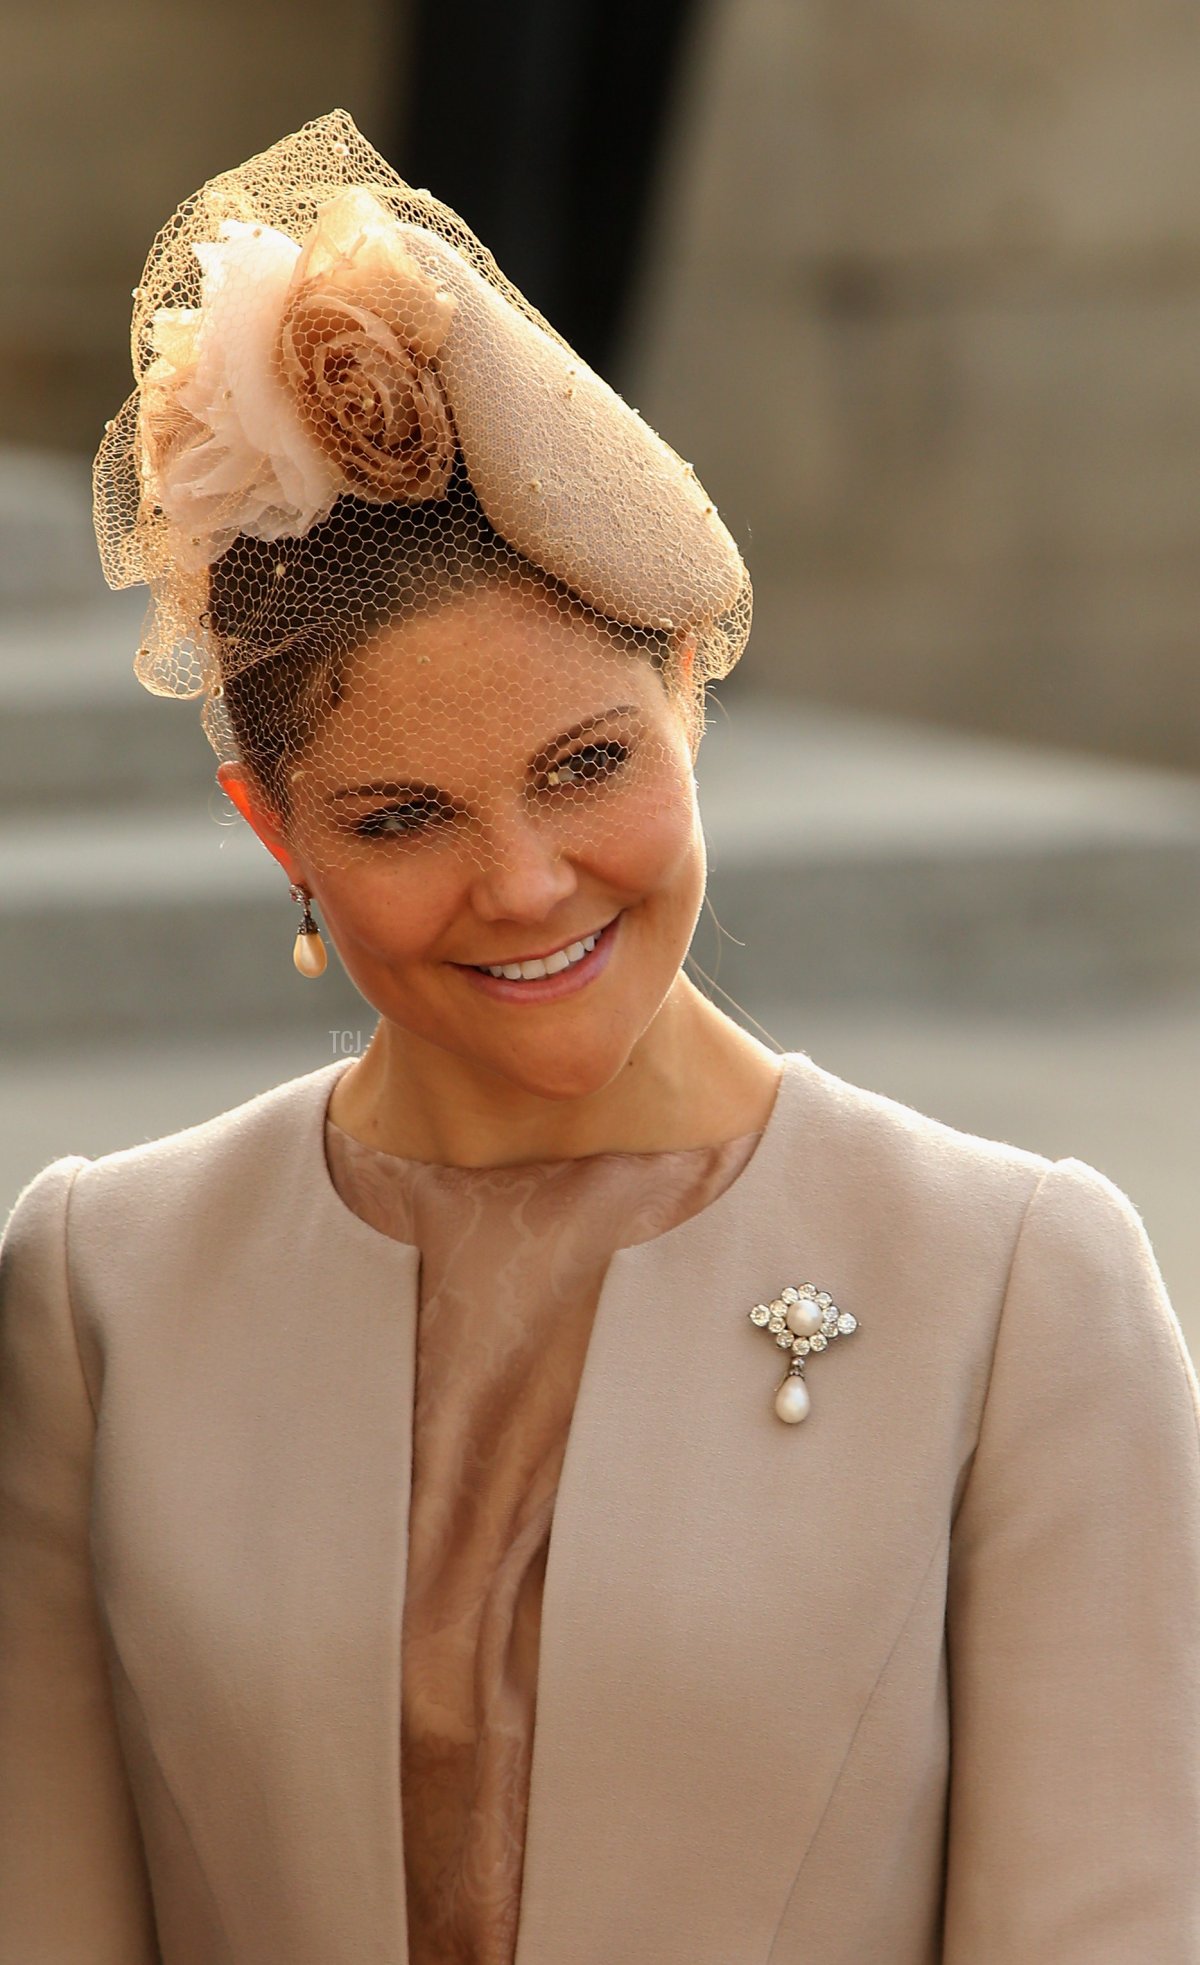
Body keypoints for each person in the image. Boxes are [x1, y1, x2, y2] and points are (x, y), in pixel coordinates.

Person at [1, 109, 1198, 1965]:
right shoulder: (92, 1291)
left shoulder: (1021, 1283)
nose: (529, 882)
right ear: (274, 835)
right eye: (403, 817)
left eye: (588, 767)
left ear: (688, 705)